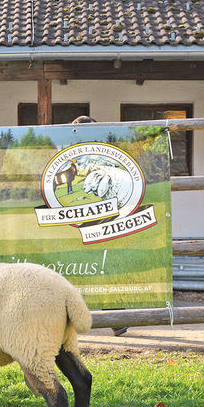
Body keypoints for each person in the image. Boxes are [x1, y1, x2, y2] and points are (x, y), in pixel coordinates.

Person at [70, 115, 129, 337]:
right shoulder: (77, 156)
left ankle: (117, 320)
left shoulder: (104, 151)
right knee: (81, 271)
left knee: (107, 266)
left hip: (107, 216)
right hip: (81, 221)